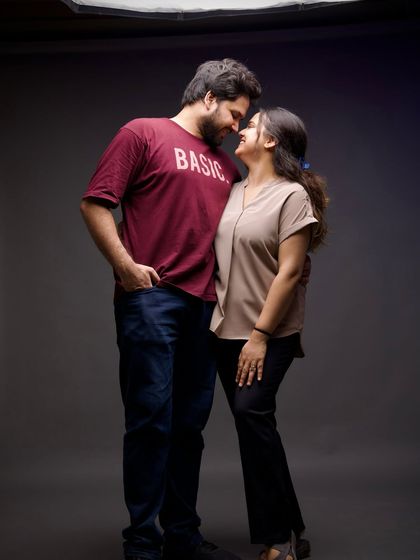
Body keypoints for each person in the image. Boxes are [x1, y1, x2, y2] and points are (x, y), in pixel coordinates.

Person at [80, 59, 261, 560]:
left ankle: (182, 535)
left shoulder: (226, 167)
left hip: (206, 308)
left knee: (189, 428)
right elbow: (95, 203)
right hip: (153, 299)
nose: (237, 126)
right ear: (208, 97)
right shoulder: (142, 133)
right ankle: (142, 542)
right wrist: (125, 268)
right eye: (234, 113)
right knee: (150, 420)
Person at [210, 107, 328, 560]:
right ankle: (293, 527)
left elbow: (290, 271)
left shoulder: (292, 196)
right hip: (223, 330)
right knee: (255, 425)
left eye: (251, 125)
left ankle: (278, 539)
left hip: (269, 333)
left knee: (251, 415)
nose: (240, 130)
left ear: (272, 141)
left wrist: (259, 335)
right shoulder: (232, 190)